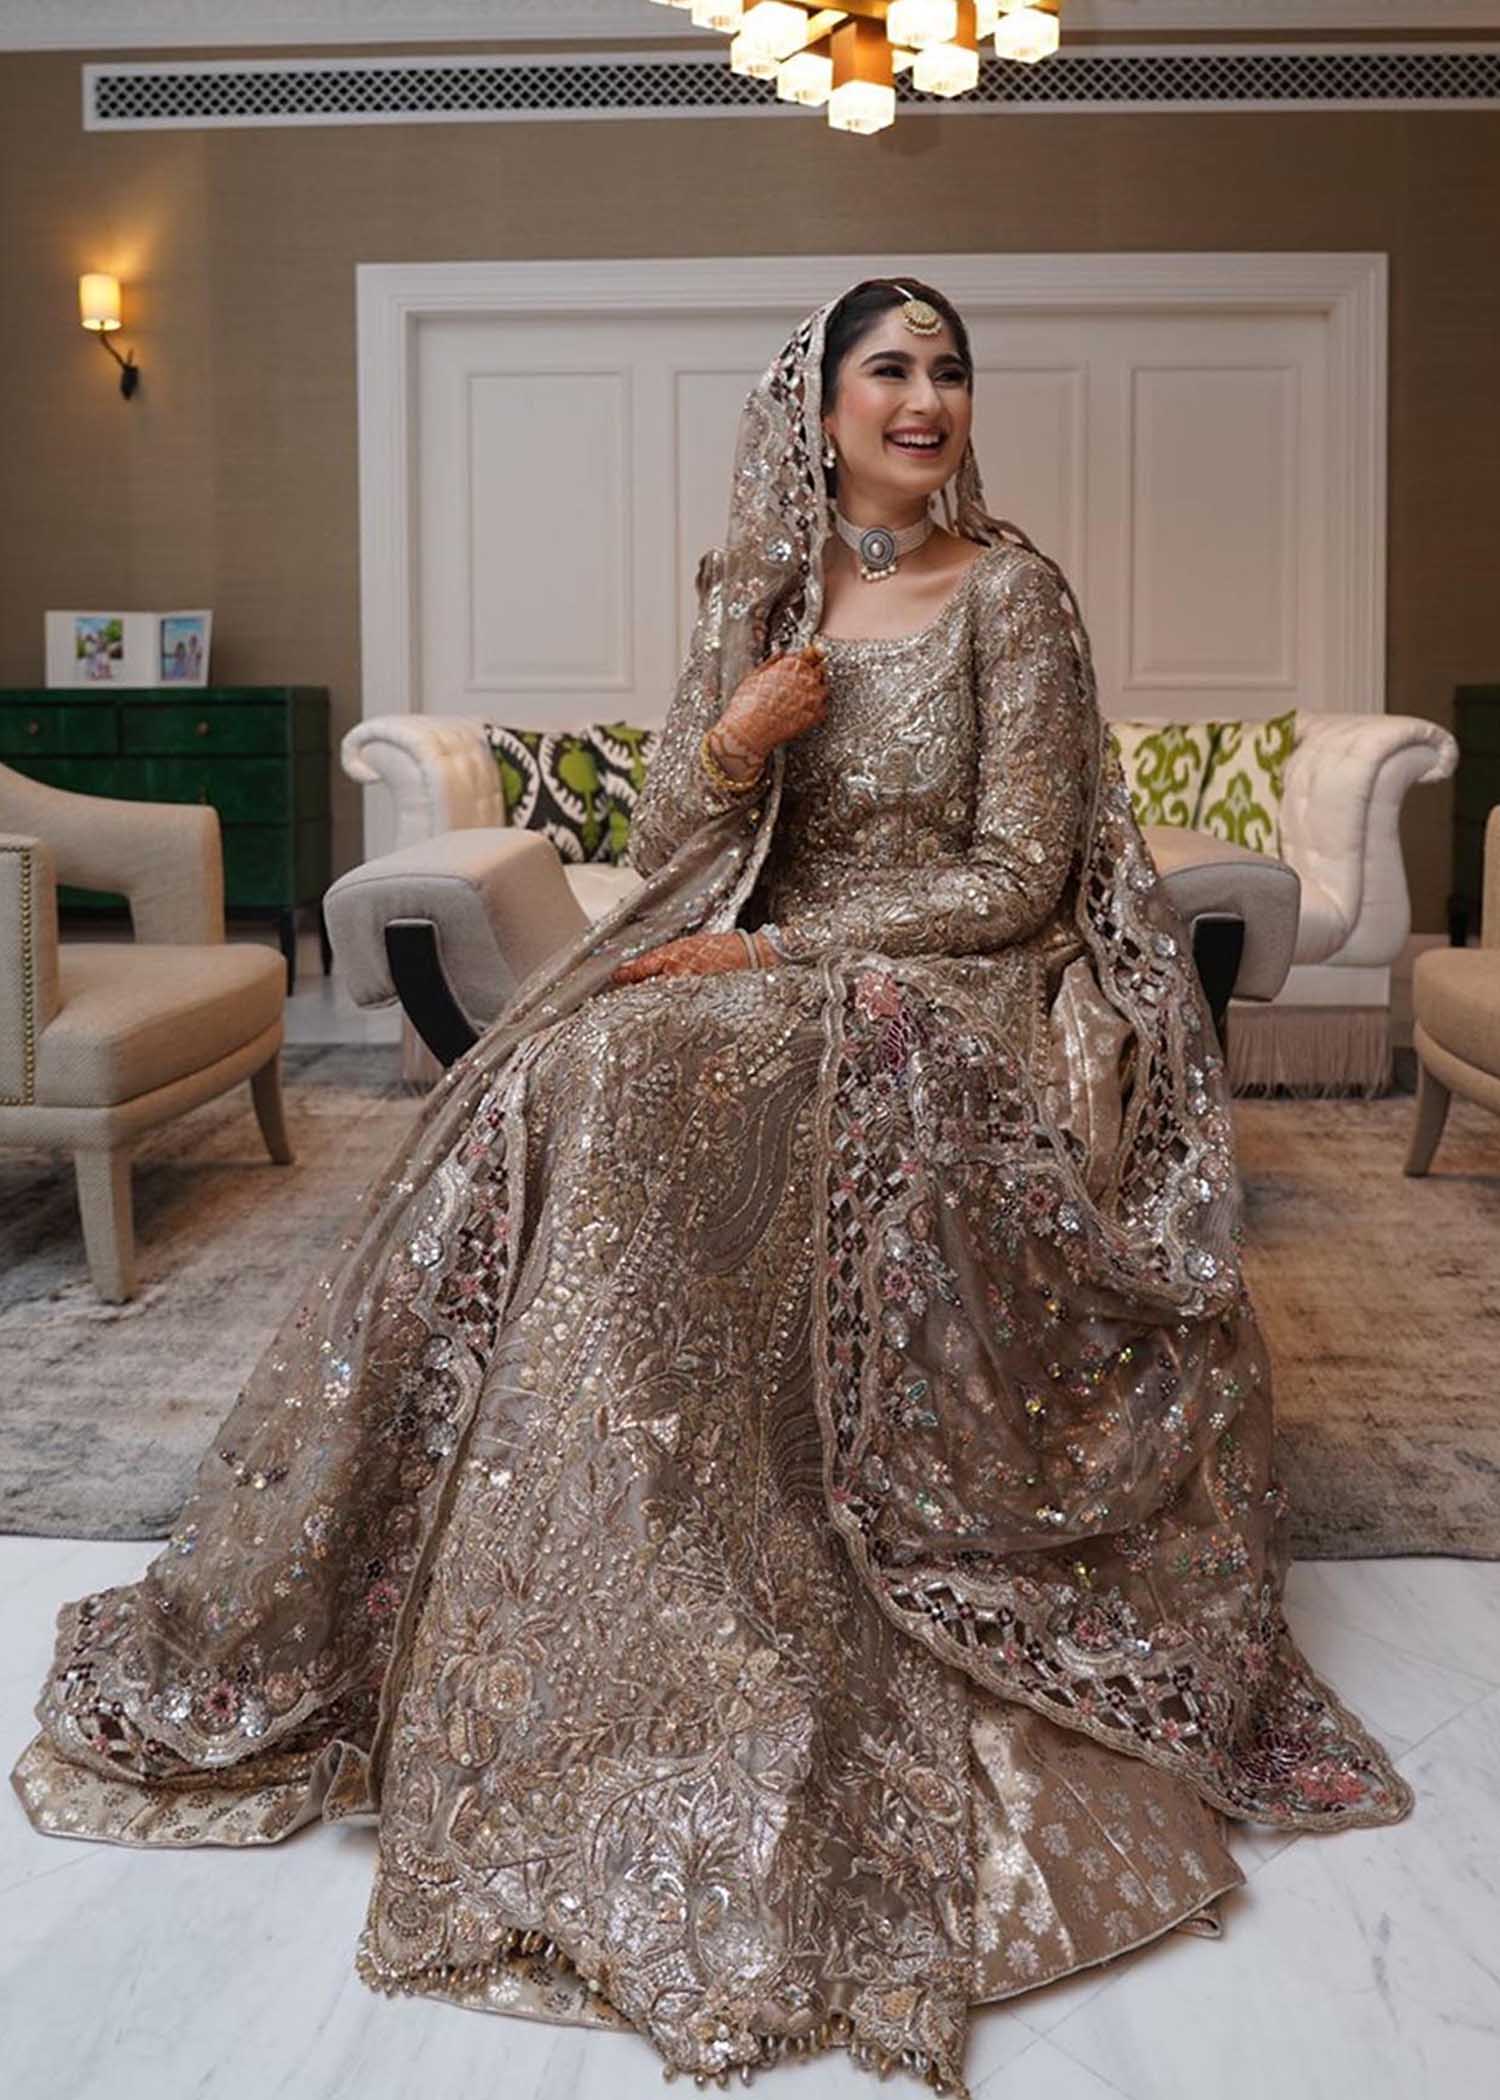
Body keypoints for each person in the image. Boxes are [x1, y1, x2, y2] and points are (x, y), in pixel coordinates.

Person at [10, 279, 1413, 2099]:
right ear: (817, 409)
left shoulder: (1011, 596)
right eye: (888, 370)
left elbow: (1019, 877)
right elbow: (682, 828)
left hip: (944, 987)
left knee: (667, 1059)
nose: (925, 398)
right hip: (756, 968)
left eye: (948, 369)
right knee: (573, 1067)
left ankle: (745, 1545)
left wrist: (788, 955)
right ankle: (598, 1546)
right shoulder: (761, 594)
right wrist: (744, 734)